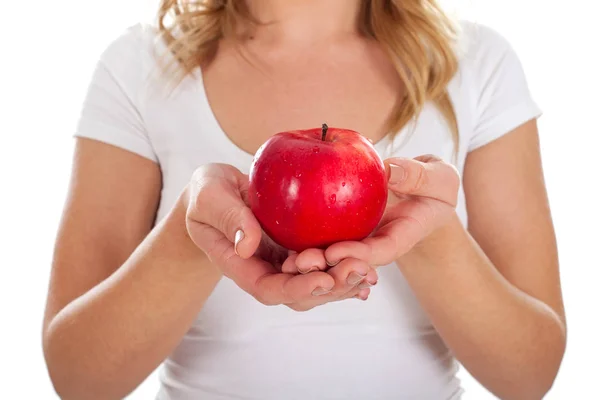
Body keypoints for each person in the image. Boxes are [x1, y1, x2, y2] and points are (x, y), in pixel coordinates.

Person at [41, 1, 567, 399]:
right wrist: (193, 235)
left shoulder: (477, 64)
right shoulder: (138, 68)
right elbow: (79, 378)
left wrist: (427, 234)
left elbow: (530, 375)